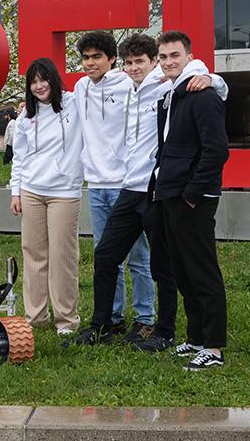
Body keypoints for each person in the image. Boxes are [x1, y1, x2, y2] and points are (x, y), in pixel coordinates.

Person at [65, 34, 227, 352]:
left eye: (140, 61)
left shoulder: (166, 86)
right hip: (129, 187)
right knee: (106, 255)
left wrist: (211, 78)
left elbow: (205, 80)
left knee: (163, 265)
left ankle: (163, 331)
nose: (134, 68)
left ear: (153, 62)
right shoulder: (126, 86)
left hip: (157, 190)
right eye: (128, 62)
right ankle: (102, 326)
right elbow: (90, 83)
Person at [150, 30, 230, 371]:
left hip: (193, 198)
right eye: (163, 56)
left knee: (202, 271)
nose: (169, 61)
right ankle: (197, 338)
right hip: (170, 193)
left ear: (189, 57)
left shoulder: (203, 94)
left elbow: (217, 151)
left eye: (175, 56)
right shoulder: (173, 94)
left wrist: (193, 195)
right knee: (183, 271)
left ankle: (214, 347)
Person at [73, 31, 155, 342]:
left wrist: (206, 76)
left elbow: (173, 75)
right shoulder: (80, 88)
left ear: (112, 59)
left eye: (97, 57)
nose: (90, 63)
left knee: (138, 256)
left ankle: (145, 318)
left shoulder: (128, 84)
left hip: (126, 185)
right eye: (85, 58)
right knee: (106, 256)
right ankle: (113, 317)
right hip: (96, 186)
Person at [9, 58, 84, 335]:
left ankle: (66, 319)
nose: (39, 86)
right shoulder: (25, 117)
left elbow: (106, 83)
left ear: (54, 79)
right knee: (33, 254)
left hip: (64, 193)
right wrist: (16, 191)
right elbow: (19, 157)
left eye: (44, 79)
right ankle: (36, 316)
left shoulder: (74, 103)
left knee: (63, 256)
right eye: (33, 81)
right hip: (31, 191)